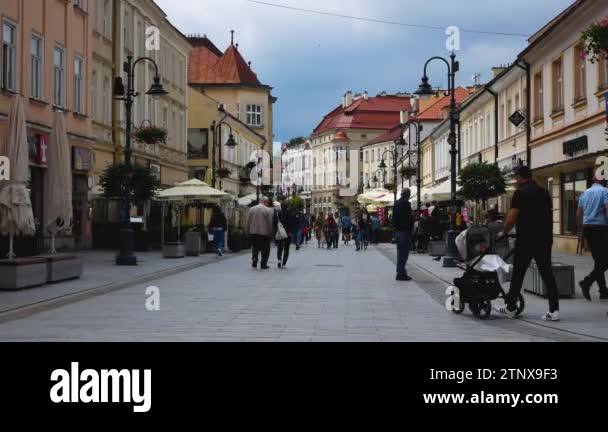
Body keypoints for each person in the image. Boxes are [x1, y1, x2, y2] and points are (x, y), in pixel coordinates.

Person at [497, 166, 560, 321]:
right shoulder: (544, 192)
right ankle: (554, 310)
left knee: (518, 274)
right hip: (544, 239)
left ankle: (511, 308)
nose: (515, 180)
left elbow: (512, 217)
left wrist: (503, 232)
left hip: (525, 240)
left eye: (516, 177)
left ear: (519, 177)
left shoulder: (520, 193)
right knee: (547, 274)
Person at [577, 177, 608, 301]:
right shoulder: (605, 191)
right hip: (601, 229)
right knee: (604, 261)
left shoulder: (585, 193)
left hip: (588, 230)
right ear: (603, 180)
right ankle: (587, 282)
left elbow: (579, 214)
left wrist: (580, 232)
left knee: (599, 260)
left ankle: (603, 291)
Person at [245, 197, 275, 270]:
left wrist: (247, 231)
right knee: (265, 249)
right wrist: (271, 232)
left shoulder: (252, 209)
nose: (268, 204)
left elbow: (248, 221)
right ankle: (263, 264)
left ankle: (254, 260)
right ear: (265, 202)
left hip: (253, 232)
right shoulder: (268, 210)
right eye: (267, 202)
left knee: (255, 247)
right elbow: (270, 222)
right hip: (264, 233)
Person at [393, 188, 414, 281]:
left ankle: (400, 272)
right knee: (404, 253)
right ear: (407, 195)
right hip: (405, 232)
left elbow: (394, 218)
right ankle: (401, 274)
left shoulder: (396, 203)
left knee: (400, 253)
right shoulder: (406, 204)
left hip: (398, 232)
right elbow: (409, 219)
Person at [274, 201, 296, 269]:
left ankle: (279, 260)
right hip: (288, 233)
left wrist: (275, 231)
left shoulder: (278, 213)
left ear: (281, 206)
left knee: (280, 247)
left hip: (280, 232)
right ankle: (284, 263)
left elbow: (274, 222)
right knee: (286, 248)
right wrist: (291, 232)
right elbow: (293, 223)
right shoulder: (290, 213)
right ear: (287, 206)